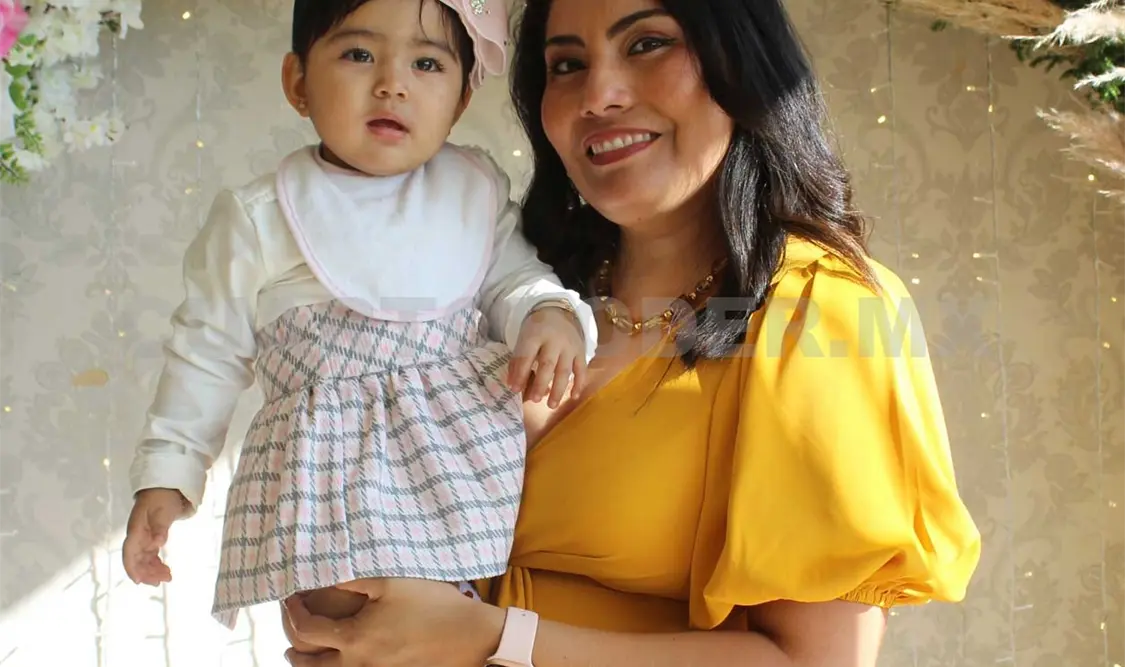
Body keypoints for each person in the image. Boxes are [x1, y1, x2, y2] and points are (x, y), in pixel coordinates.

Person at [280, 0, 983, 664]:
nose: (598, 95)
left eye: (647, 44)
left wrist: (496, 636)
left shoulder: (819, 308)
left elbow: (817, 660)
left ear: (738, 60)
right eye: (566, 64)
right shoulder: (513, 292)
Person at [120, 0, 599, 655]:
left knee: (457, 623)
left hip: (458, 463)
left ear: (461, 99)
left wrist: (549, 313)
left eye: (426, 64)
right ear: (298, 82)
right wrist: (168, 474)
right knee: (347, 625)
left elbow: (514, 281)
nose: (391, 83)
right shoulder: (260, 216)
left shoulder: (472, 191)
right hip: (330, 470)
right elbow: (206, 351)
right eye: (358, 54)